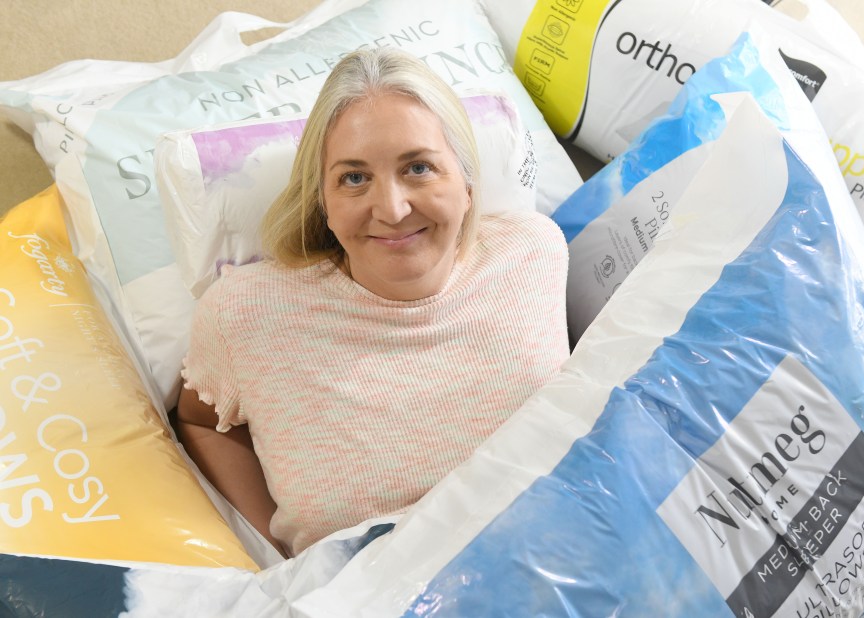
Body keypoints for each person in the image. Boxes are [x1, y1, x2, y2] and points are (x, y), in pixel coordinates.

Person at [176, 46, 570, 558]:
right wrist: (274, 557)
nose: (392, 208)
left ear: (468, 183)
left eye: (419, 168)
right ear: (324, 200)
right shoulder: (244, 315)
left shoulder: (532, 252)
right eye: (354, 178)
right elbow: (202, 423)